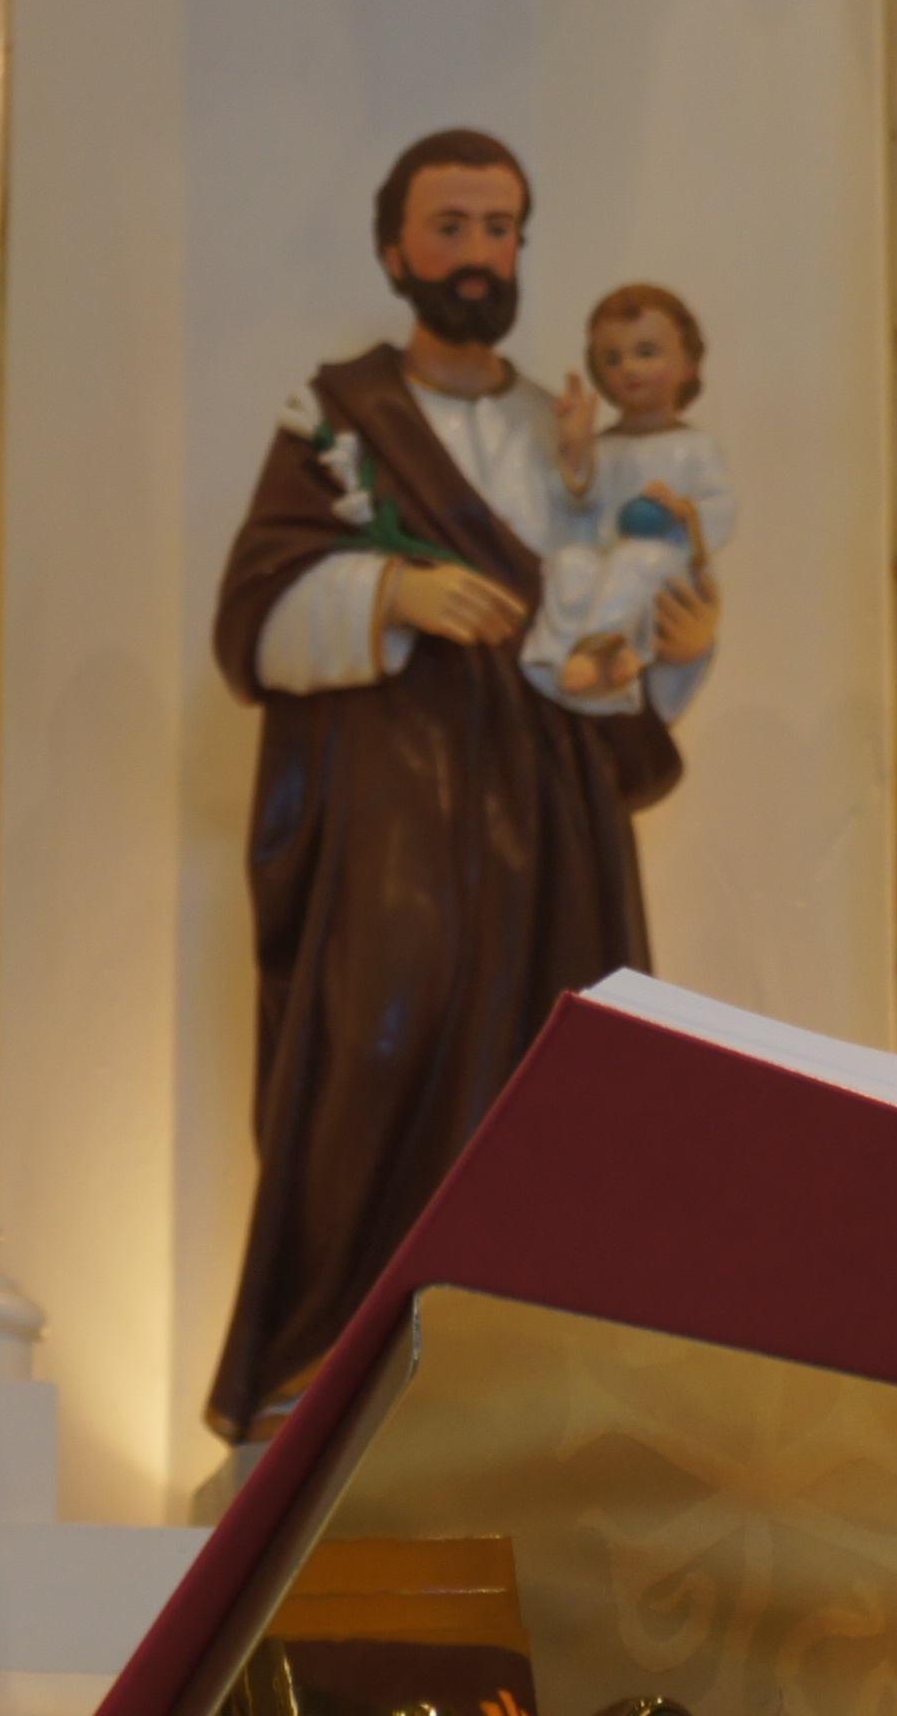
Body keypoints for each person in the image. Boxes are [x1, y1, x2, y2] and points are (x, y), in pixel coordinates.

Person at [205, 130, 718, 1447]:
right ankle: (329, 1353)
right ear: (395, 249)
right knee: (379, 1032)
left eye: (500, 229)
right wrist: (390, 590)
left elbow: (613, 613)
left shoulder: (570, 435)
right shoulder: (336, 419)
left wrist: (678, 647)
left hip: (550, 810)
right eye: (451, 227)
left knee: (554, 1080)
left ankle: (518, 1369)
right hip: (393, 792)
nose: (479, 254)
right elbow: (254, 614)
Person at [528, 283, 731, 711]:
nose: (629, 368)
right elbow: (575, 505)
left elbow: (721, 508)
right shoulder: (604, 447)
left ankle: (606, 649)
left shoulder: (694, 448)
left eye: (646, 352)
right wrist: (576, 448)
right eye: (612, 358)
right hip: (609, 563)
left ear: (688, 365)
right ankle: (555, 661)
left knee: (636, 559)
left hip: (666, 567)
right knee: (571, 564)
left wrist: (684, 512)